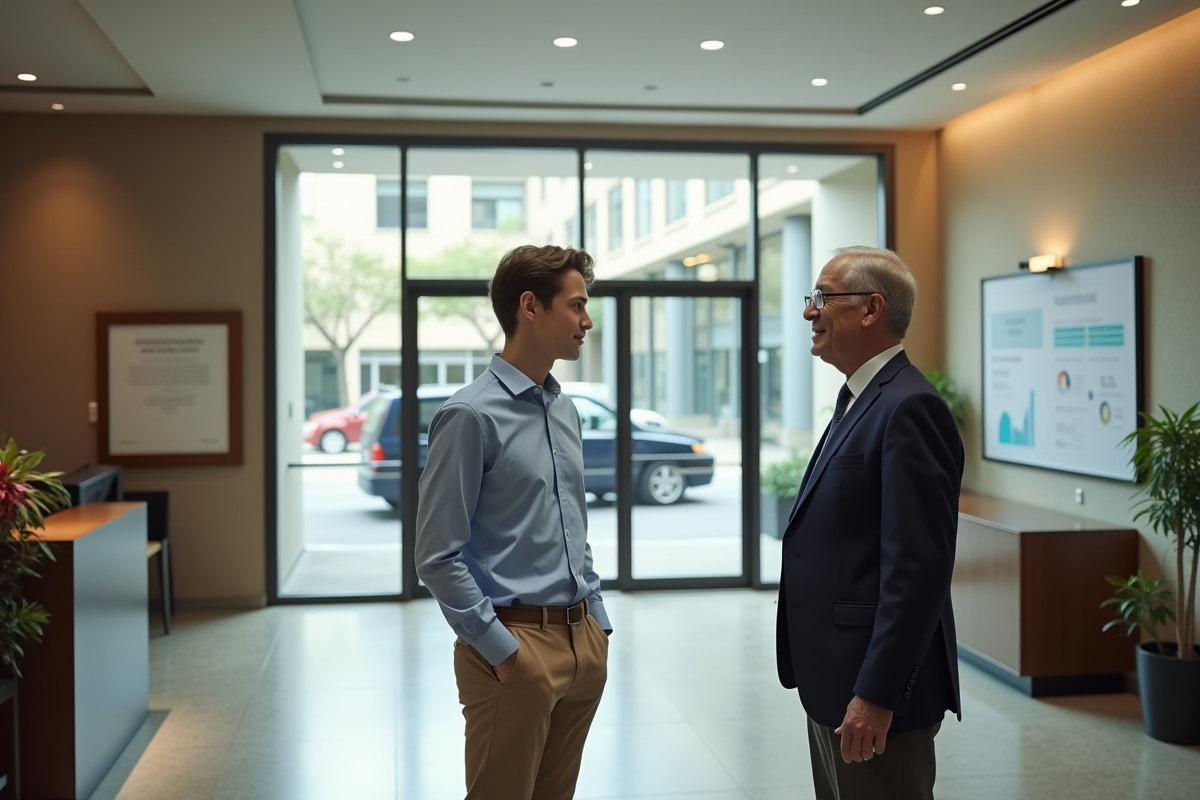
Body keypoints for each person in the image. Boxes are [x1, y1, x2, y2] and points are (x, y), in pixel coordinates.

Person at [415, 244, 611, 800]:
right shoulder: (469, 415)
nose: (587, 321)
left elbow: (572, 524)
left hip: (581, 642)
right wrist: (501, 650)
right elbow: (436, 555)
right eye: (576, 306)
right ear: (530, 306)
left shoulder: (563, 408)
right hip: (515, 646)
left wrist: (595, 621)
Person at [776, 246, 963, 799]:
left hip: (873, 697)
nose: (809, 311)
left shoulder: (910, 407)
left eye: (823, 297)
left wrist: (877, 695)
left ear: (871, 309)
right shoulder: (859, 399)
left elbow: (918, 571)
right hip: (834, 682)